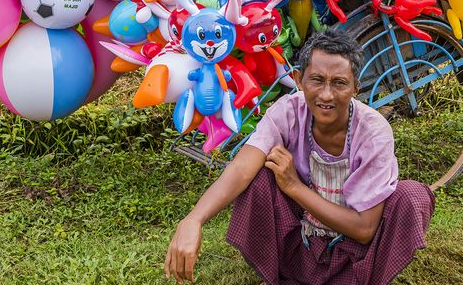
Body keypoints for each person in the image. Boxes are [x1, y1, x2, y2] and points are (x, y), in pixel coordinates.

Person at [165, 29, 435, 284]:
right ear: (298, 80)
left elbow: (364, 229)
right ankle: (281, 275)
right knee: (258, 177)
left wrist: (293, 186)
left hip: (358, 259)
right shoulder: (288, 112)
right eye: (317, 80)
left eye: (339, 83)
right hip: (302, 245)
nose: (326, 94)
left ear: (356, 88)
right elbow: (241, 167)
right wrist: (193, 220)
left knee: (412, 197)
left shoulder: (373, 132)